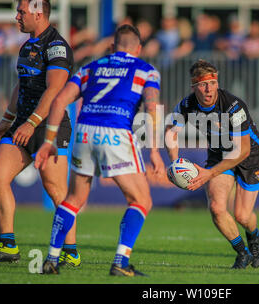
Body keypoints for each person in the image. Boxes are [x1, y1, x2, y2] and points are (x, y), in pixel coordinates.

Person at [34, 24, 164, 276]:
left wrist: (49, 140)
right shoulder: (146, 70)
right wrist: (155, 150)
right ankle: (121, 262)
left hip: (84, 132)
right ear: (138, 49)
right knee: (141, 200)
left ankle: (51, 258)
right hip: (116, 132)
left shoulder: (89, 68)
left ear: (112, 47)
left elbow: (60, 100)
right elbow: (152, 108)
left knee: (73, 200)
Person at [0, 0, 80, 267]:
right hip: (22, 124)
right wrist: (7, 119)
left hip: (48, 126)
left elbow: (55, 89)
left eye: (21, 12)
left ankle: (70, 251)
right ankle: (8, 246)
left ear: (38, 13)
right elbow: (21, 85)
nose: (16, 17)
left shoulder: (57, 46)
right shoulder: (27, 45)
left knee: (56, 190)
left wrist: (32, 123)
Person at [165, 59, 259, 269]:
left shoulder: (233, 105)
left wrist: (209, 174)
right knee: (217, 208)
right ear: (194, 87)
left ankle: (254, 238)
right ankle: (242, 252)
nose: (209, 88)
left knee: (242, 216)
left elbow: (242, 150)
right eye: (203, 84)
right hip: (219, 153)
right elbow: (170, 131)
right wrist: (174, 163)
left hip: (249, 156)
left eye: (212, 82)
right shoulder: (186, 104)